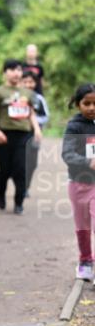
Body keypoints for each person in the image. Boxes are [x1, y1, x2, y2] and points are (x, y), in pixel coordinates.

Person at [0, 59, 43, 214]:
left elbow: (31, 113)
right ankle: (1, 193)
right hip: (4, 135)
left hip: (24, 135)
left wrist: (36, 129)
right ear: (5, 73)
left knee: (20, 169)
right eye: (12, 69)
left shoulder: (28, 93)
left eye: (18, 70)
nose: (16, 73)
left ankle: (19, 202)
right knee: (4, 170)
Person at [60, 83, 95, 280]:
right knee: (83, 227)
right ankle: (85, 261)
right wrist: (88, 162)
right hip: (79, 184)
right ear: (78, 104)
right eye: (86, 103)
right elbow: (67, 154)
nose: (91, 107)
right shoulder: (74, 126)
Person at [20, 70, 49, 196]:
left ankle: (25, 187)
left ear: (35, 83)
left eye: (31, 82)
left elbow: (45, 116)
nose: (28, 84)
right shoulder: (16, 97)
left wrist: (33, 120)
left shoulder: (39, 99)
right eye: (25, 81)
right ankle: (19, 186)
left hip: (34, 135)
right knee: (19, 162)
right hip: (19, 134)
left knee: (32, 163)